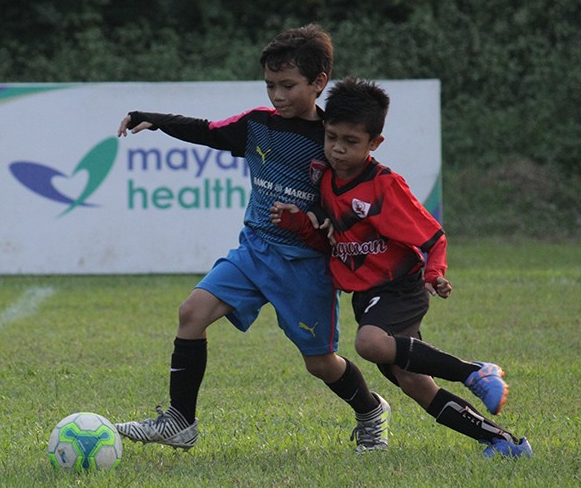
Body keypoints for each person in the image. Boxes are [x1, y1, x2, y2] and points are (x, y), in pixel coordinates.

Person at [114, 24, 391, 454]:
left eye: (288, 86)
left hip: (305, 266)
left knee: (320, 363)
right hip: (254, 251)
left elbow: (353, 198)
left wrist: (324, 222)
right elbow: (208, 130)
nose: (277, 95)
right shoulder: (258, 124)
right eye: (270, 85)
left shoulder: (333, 138)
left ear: (318, 83)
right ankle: (180, 422)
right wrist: (157, 121)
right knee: (192, 313)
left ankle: (371, 411)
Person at [270, 76, 532, 457]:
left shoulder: (384, 186)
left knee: (369, 343)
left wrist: (434, 273)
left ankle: (474, 371)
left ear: (374, 143)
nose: (337, 149)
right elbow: (328, 237)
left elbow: (433, 236)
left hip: (398, 288)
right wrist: (298, 223)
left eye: (350, 142)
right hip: (367, 295)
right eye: (331, 138)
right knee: (415, 383)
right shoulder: (325, 180)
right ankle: (503, 442)